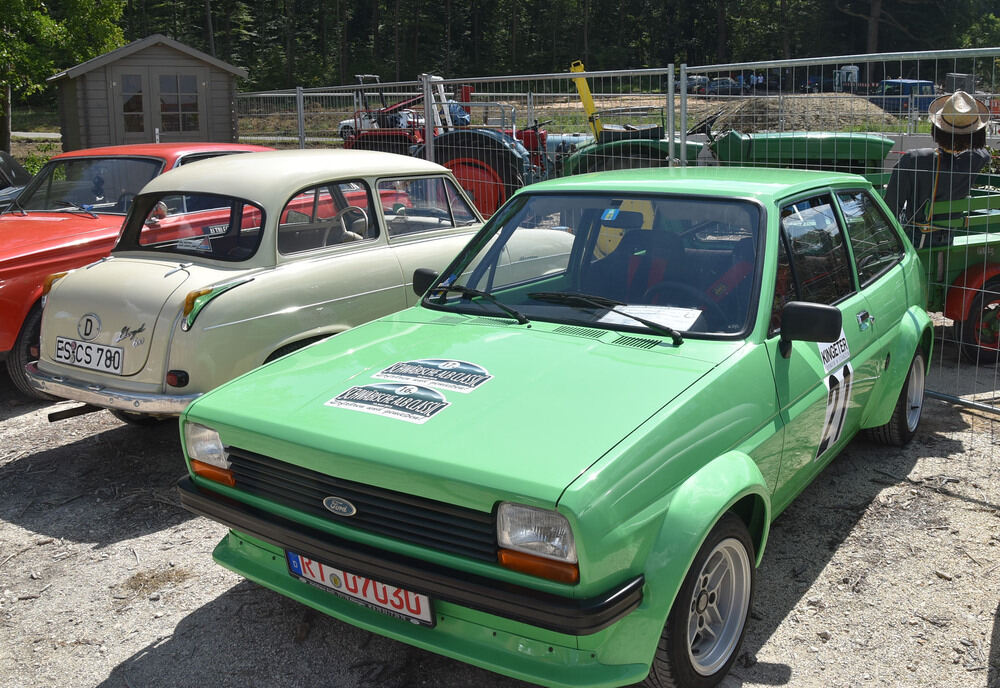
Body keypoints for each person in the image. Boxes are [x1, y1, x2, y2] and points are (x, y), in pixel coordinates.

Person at [883, 90, 991, 247]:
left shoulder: (913, 160)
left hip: (914, 241)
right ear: (978, 132)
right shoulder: (977, 159)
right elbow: (982, 150)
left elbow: (890, 208)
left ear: (937, 128)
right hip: (947, 239)